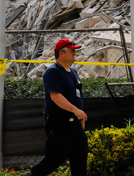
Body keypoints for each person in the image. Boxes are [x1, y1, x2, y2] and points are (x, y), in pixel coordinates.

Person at [26, 38, 88, 176]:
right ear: (61, 53)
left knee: (80, 156)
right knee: (55, 157)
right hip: (59, 123)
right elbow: (55, 97)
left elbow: (76, 96)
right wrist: (75, 110)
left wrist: (80, 116)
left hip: (74, 124)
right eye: (71, 51)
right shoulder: (53, 72)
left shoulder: (73, 72)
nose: (75, 54)